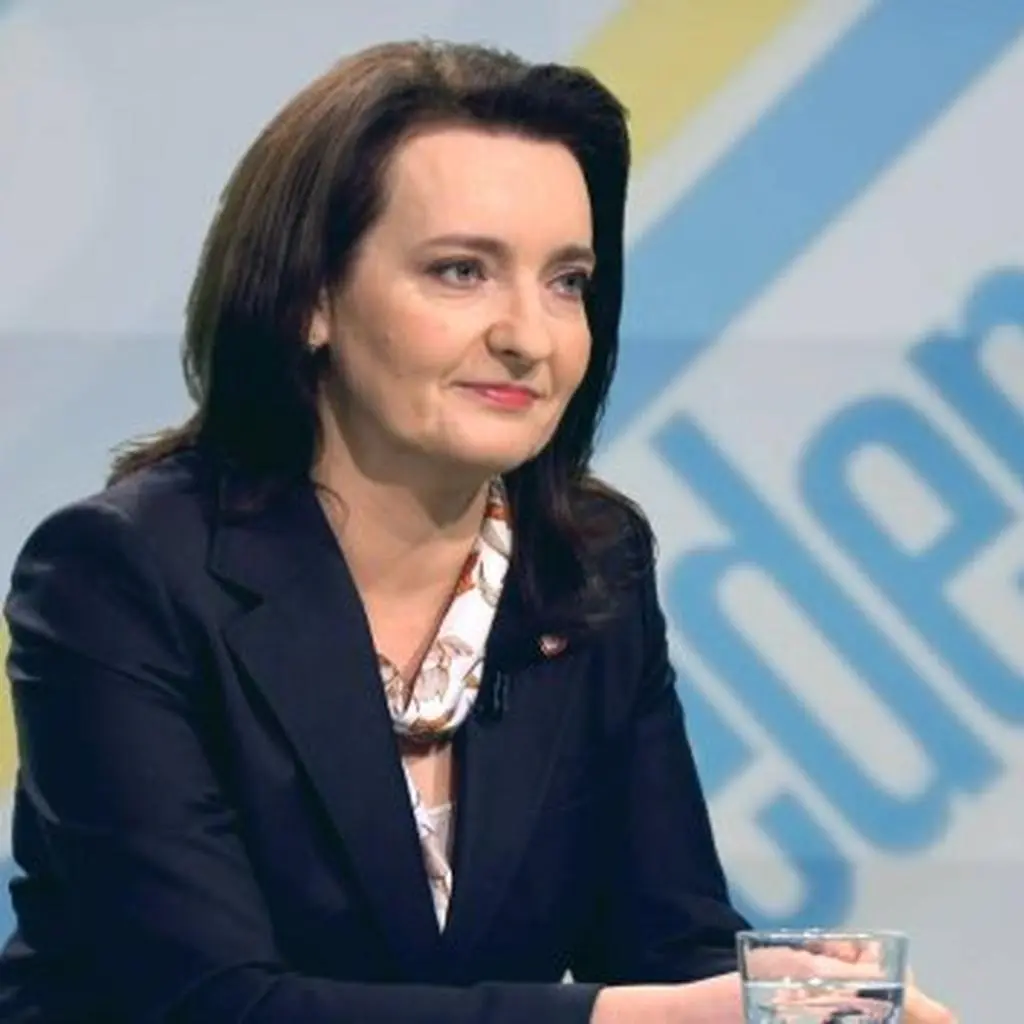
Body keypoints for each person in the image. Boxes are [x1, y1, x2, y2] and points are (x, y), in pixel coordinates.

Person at [0, 40, 955, 1023]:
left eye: (567, 281)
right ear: (311, 299)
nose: (529, 337)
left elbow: (669, 945)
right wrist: (642, 1017)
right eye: (461, 271)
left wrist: (797, 1000)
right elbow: (213, 1004)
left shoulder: (587, 564)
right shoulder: (122, 575)